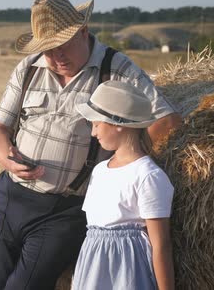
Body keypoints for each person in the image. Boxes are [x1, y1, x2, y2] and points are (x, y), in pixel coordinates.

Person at [0, 0, 181, 289]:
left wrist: (122, 161)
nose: (55, 57)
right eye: (48, 49)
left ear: (84, 31)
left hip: (62, 212)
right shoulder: (28, 69)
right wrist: (6, 158)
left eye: (61, 46)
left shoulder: (116, 69)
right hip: (11, 198)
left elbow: (167, 120)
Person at [73, 80, 175, 290]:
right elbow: (92, 233)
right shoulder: (100, 171)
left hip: (126, 272)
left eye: (96, 124)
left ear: (118, 124)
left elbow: (161, 245)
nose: (93, 133)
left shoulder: (148, 176)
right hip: (91, 269)